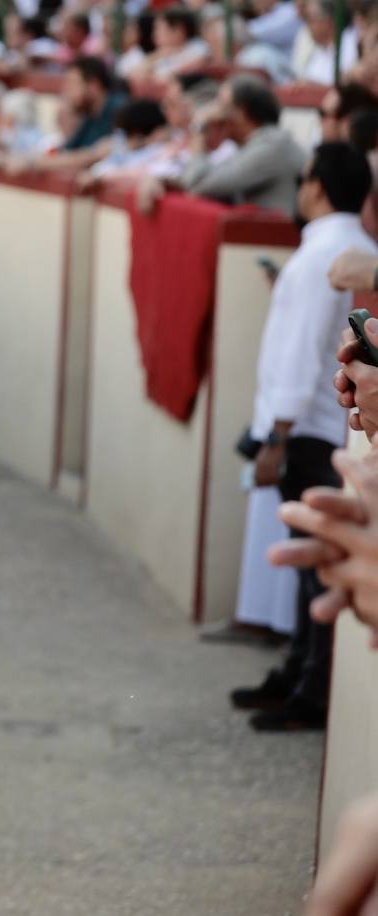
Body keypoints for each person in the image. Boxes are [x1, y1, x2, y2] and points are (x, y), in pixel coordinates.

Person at [228, 142, 377, 731]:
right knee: (314, 566)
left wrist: (277, 434)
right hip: (322, 422)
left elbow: (297, 351)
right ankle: (297, 677)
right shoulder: (348, 248)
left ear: (315, 186)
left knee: (315, 567)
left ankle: (307, 688)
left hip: (310, 427)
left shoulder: (328, 250)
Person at [178, 75, 307, 215]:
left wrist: (200, 129)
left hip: (277, 234)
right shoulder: (257, 143)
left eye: (220, 104)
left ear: (240, 112)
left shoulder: (272, 145)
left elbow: (197, 186)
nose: (213, 111)